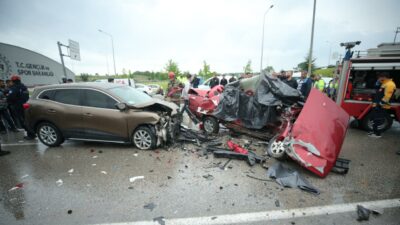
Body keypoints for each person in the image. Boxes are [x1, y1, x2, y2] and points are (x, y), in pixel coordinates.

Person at [7, 75, 36, 140]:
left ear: (13, 81)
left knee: (22, 121)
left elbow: (10, 97)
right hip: (26, 105)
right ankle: (31, 133)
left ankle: (31, 134)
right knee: (27, 120)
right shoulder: (24, 87)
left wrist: (8, 101)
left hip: (18, 106)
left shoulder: (14, 88)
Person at [368, 72, 396, 138]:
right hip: (378, 105)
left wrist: (380, 104)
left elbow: (387, 96)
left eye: (379, 77)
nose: (378, 78)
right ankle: (374, 131)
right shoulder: (385, 83)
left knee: (378, 120)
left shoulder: (390, 84)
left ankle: (377, 134)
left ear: (384, 77)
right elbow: (379, 92)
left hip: (382, 106)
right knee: (375, 119)